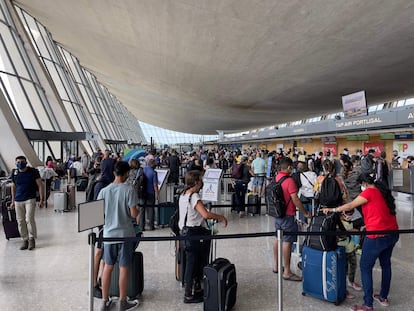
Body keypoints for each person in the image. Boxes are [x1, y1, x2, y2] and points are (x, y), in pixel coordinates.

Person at [322, 172, 399, 311]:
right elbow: (379, 211)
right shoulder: (382, 191)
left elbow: (349, 206)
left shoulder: (369, 192)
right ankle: (383, 297)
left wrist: (332, 209)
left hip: (377, 236)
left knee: (365, 267)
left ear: (363, 183)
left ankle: (368, 304)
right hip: (392, 233)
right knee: (386, 265)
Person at [179, 170, 228, 304]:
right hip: (194, 233)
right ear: (196, 182)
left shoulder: (183, 194)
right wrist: (221, 217)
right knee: (192, 264)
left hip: (184, 232)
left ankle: (197, 288)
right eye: (200, 180)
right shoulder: (194, 196)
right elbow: (205, 214)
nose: (202, 182)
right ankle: (188, 294)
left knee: (193, 263)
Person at [98, 161, 140, 311]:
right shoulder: (129, 190)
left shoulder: (104, 191)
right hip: (125, 234)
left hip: (109, 235)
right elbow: (134, 214)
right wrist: (137, 211)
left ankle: (104, 301)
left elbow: (98, 214)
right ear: (126, 173)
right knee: (123, 268)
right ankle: (122, 302)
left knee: (107, 267)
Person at [272, 157, 311, 280]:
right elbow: (295, 199)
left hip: (277, 214)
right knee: (287, 241)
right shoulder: (289, 181)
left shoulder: (277, 177)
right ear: (289, 167)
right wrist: (305, 213)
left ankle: (276, 266)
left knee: (277, 238)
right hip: (288, 215)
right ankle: (287, 271)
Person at [10, 155, 44, 250]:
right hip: (18, 200)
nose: (20, 164)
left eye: (22, 162)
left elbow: (40, 185)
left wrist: (41, 199)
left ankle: (31, 238)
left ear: (26, 162)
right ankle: (24, 239)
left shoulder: (33, 171)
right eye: (18, 162)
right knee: (20, 221)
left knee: (29, 219)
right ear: (16, 164)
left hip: (30, 198)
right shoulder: (14, 173)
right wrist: (12, 201)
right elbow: (13, 187)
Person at [337, 209, 362, 296]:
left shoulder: (350, 222)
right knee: (343, 269)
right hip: (342, 249)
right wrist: (350, 231)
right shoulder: (338, 223)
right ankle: (343, 288)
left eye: (351, 214)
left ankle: (351, 281)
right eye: (348, 214)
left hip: (351, 248)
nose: (350, 216)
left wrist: (357, 244)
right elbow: (340, 236)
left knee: (353, 265)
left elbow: (354, 235)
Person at [139, 158, 159, 231]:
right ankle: (151, 226)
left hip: (141, 192)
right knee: (150, 209)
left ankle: (141, 227)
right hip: (150, 193)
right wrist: (157, 194)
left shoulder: (143, 170)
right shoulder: (154, 173)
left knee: (142, 210)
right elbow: (155, 185)